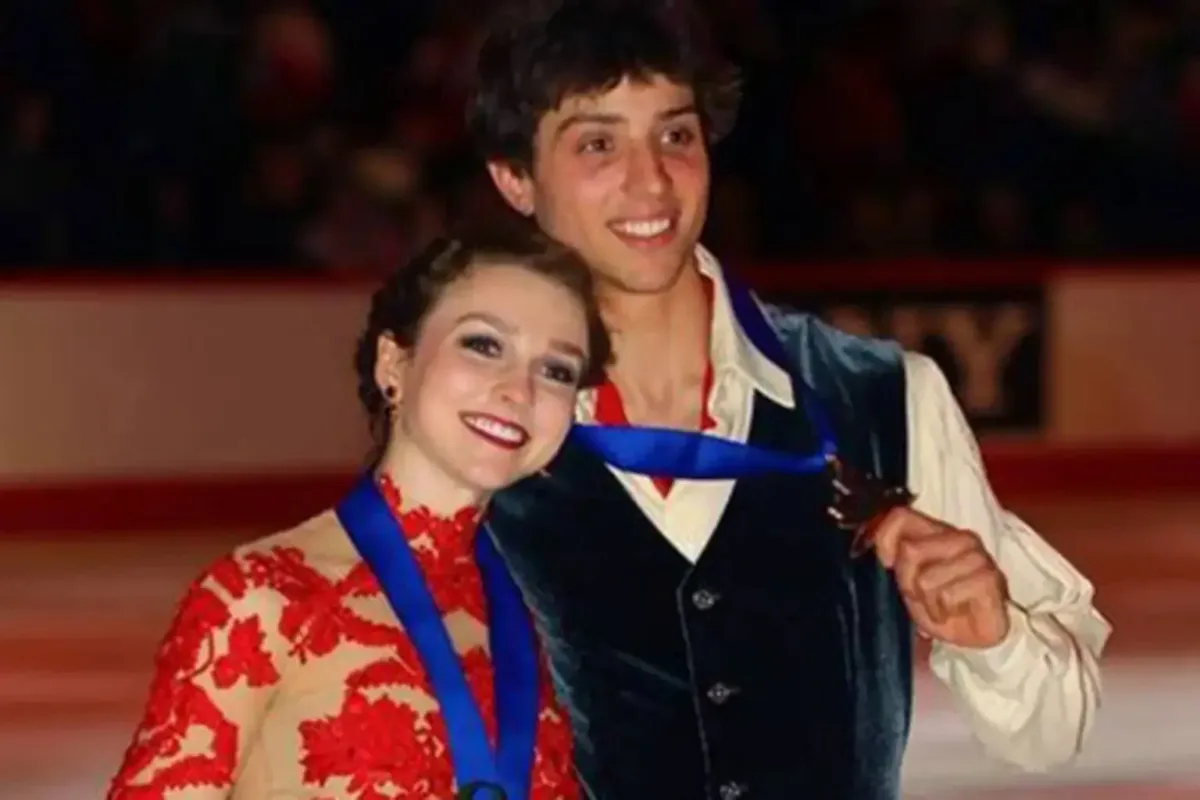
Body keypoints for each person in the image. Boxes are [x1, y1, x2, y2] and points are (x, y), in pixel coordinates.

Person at [466, 1, 1111, 798]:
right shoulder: (473, 435)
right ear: (514, 178)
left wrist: (995, 638)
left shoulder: (880, 399)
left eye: (675, 135)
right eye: (599, 143)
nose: (652, 179)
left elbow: (1050, 733)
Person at [106, 224, 612, 799]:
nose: (519, 390)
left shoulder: (551, 622)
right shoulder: (260, 601)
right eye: (483, 345)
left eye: (556, 370)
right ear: (394, 363)